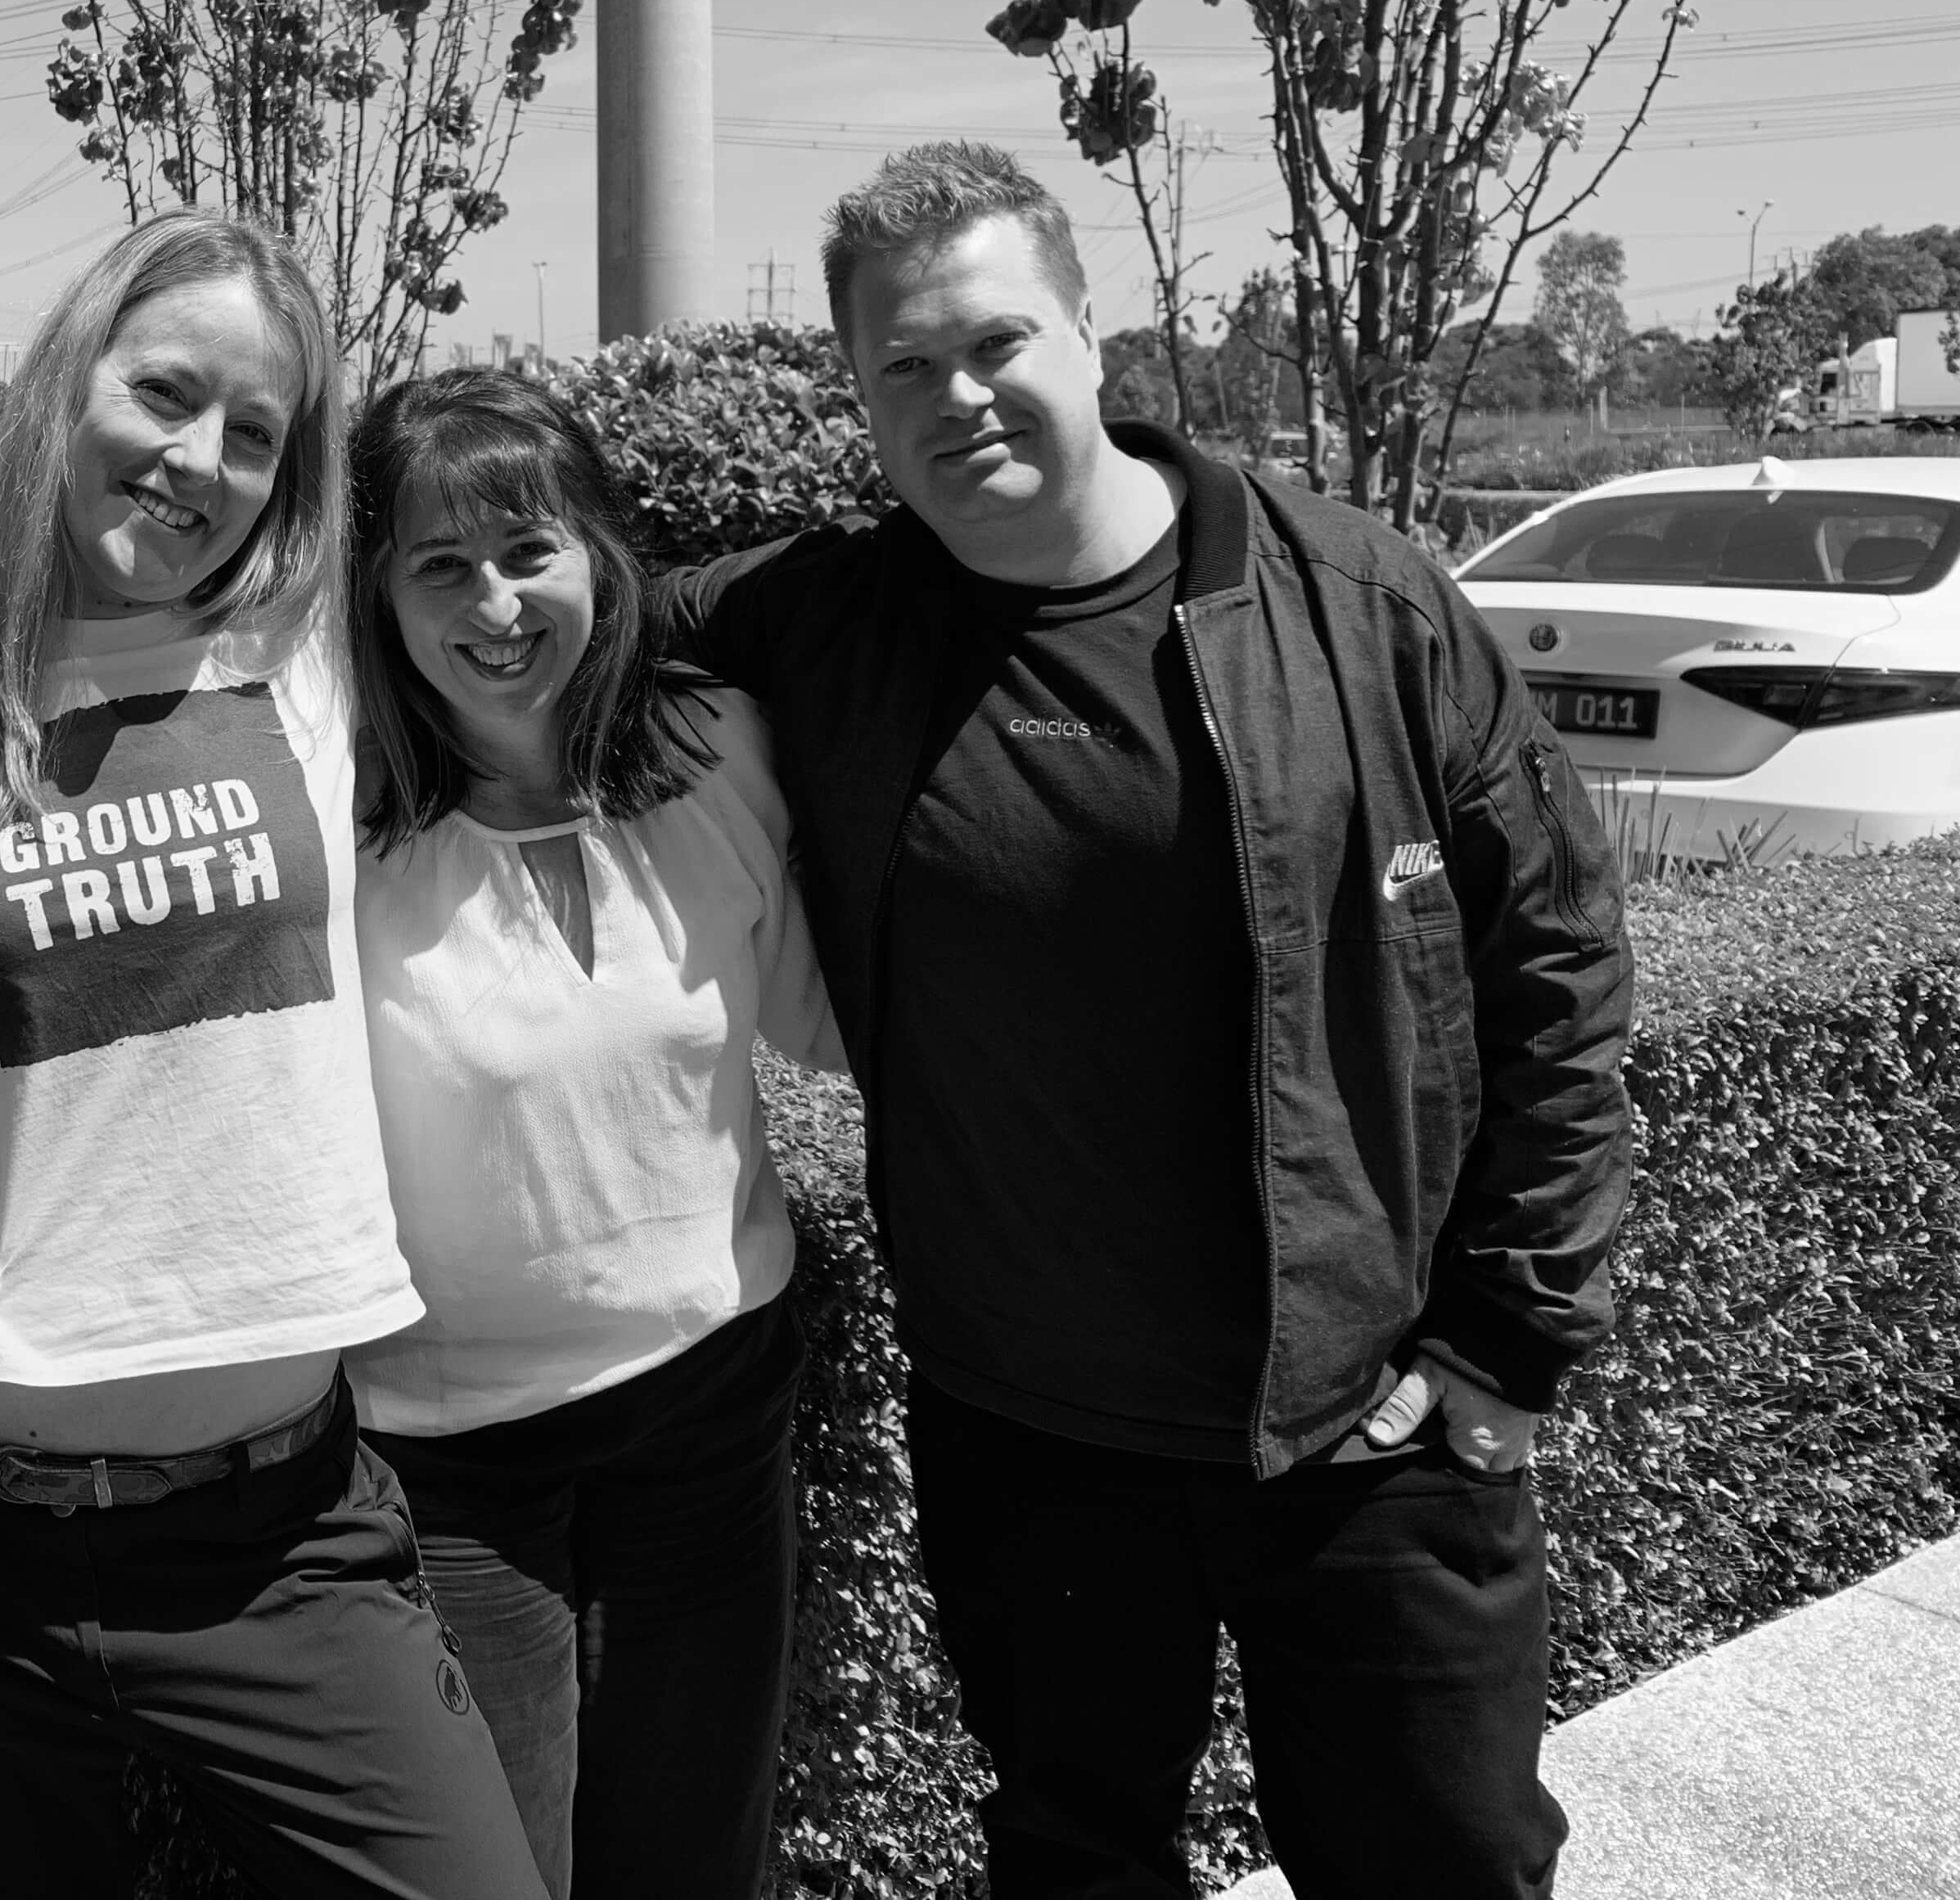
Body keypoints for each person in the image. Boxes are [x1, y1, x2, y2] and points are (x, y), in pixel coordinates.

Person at [655, 142, 1635, 1900]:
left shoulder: (1361, 605)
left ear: (1090, 333)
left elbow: (1554, 958)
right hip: (1026, 1438)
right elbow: (545, 626)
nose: (957, 397)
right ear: (859, 392)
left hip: (1369, 1420)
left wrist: (1510, 1342)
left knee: (1449, 1863)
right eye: (903, 364)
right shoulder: (823, 621)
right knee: (1075, 1862)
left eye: (996, 342)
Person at [0, 212, 545, 1900]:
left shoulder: (319, 655)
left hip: (283, 1541)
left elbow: (571, 627)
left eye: (255, 432)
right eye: (164, 394)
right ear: (66, 382)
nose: (198, 460)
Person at [341, 369, 843, 1900]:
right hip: (450, 1460)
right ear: (377, 597)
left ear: (603, 560)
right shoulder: (334, 822)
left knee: (693, 1859)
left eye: (529, 551)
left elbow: (837, 1020)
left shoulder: (722, 752)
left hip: (714, 1411)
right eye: (440, 565)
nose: (496, 606)